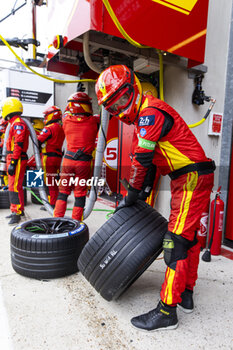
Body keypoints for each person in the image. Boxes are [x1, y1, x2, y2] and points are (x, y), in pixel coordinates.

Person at [95, 65, 215, 331]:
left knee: (175, 243)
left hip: (190, 178)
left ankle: (166, 311)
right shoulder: (145, 115)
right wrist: (141, 190)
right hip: (188, 177)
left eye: (122, 100)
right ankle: (185, 293)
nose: (119, 109)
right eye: (112, 107)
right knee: (190, 239)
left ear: (133, 89)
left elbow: (142, 159)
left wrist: (132, 194)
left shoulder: (149, 114)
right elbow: (150, 163)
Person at [54, 90, 100, 221]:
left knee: (63, 193)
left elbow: (67, 111)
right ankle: (76, 223)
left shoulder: (66, 120)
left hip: (67, 161)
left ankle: (56, 220)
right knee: (80, 195)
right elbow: (107, 115)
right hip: (83, 163)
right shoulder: (94, 121)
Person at [1, 97, 30, 225]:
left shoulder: (18, 123)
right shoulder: (13, 123)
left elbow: (18, 144)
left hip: (16, 159)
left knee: (14, 187)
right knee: (15, 186)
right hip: (13, 158)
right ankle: (19, 209)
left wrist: (13, 162)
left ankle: (16, 212)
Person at [37, 106, 65, 207]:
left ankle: (52, 204)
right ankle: (54, 202)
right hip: (58, 158)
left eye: (46, 116)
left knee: (50, 182)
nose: (45, 118)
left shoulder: (49, 128)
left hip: (48, 158)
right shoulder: (61, 127)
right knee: (54, 181)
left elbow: (38, 141)